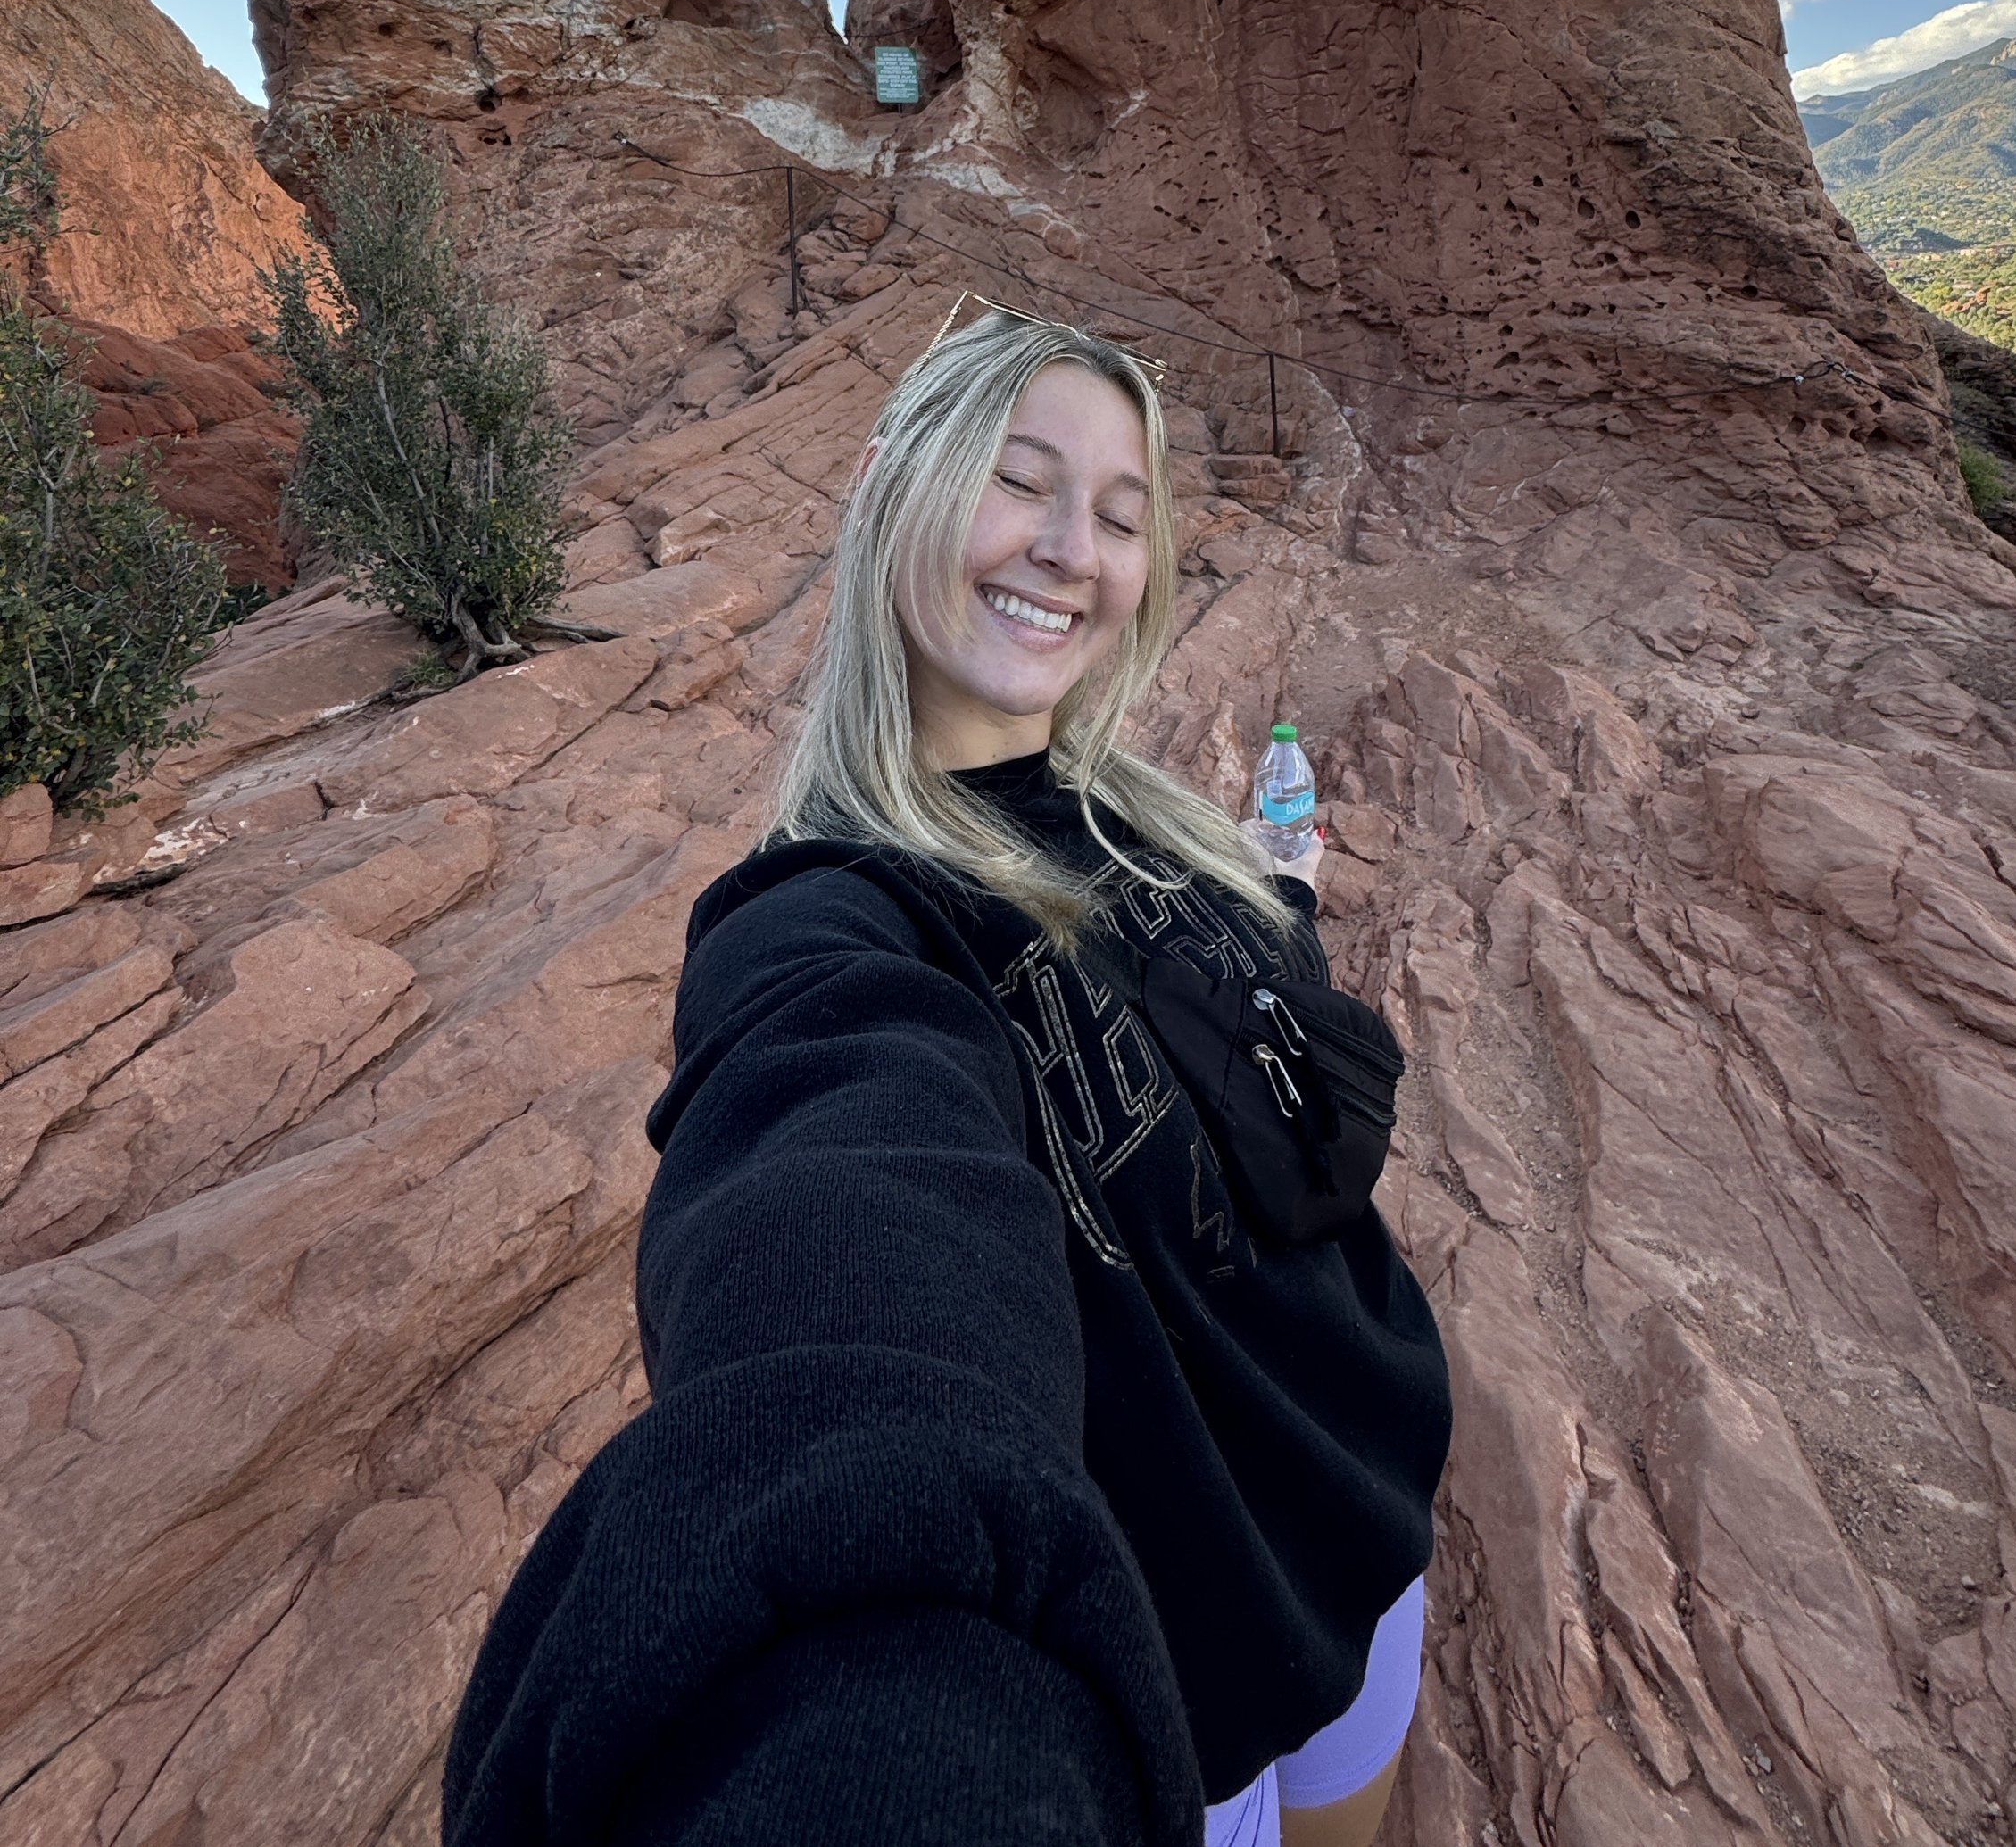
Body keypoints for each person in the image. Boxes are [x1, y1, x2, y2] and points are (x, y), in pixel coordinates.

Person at [444, 304, 1451, 1847]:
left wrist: (1275, 901)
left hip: (1368, 1525)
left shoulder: (1140, 815)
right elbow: (849, 1218)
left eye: (1121, 514)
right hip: (1187, 1687)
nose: (1071, 548)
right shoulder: (824, 921)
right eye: (1017, 479)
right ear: (893, 484)